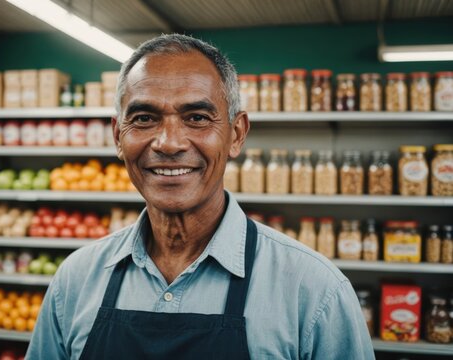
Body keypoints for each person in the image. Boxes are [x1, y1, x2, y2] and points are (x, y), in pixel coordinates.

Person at [27, 34, 374, 359]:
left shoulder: (314, 291)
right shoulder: (74, 280)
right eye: (145, 118)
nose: (169, 143)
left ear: (236, 135)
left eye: (196, 117)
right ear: (119, 136)